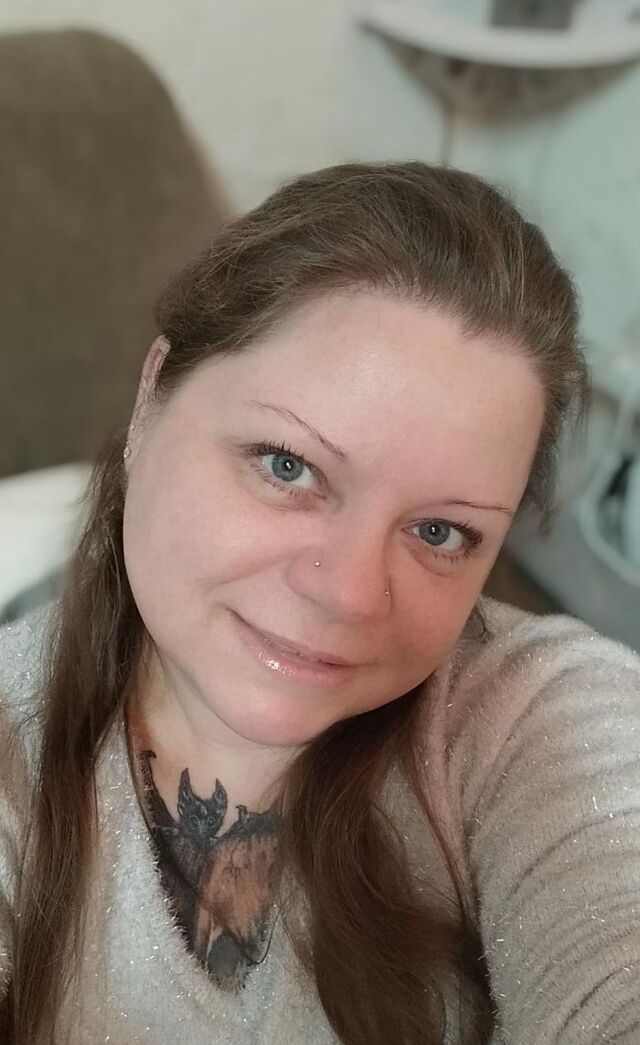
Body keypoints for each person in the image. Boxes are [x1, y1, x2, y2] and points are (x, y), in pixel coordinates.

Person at [1, 161, 639, 1045]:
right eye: (288, 465)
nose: (347, 593)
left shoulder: (535, 718)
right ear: (153, 395)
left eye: (441, 531)